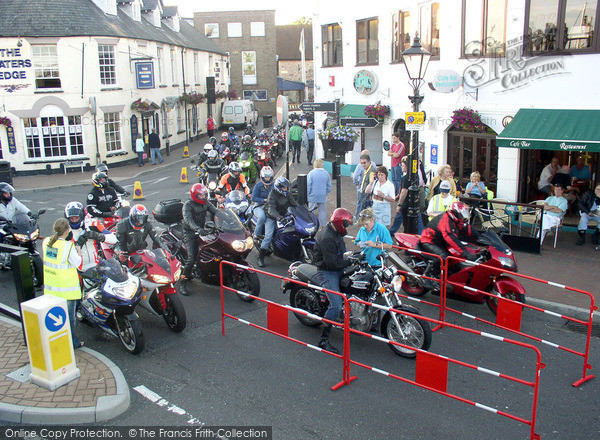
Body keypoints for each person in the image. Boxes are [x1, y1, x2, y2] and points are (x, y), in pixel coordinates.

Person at [313, 208, 354, 353]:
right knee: (336, 304)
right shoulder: (327, 237)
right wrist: (350, 262)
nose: (347, 227)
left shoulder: (336, 232)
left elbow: (342, 254)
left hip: (336, 267)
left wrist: (356, 257)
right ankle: (323, 340)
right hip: (327, 272)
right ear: (339, 222)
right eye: (346, 224)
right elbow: (332, 263)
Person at [42, 218, 84, 349]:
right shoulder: (68, 247)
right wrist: (78, 250)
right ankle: (73, 342)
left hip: (51, 289)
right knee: (69, 320)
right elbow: (78, 263)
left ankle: (58, 341)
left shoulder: (46, 242)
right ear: (67, 231)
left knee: (56, 319)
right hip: (67, 290)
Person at [419, 201, 481, 274]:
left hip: (441, 241)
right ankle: (435, 277)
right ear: (455, 213)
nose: (463, 217)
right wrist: (466, 253)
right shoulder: (446, 221)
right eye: (461, 214)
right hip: (430, 241)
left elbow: (467, 229)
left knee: (455, 255)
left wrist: (480, 238)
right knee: (444, 257)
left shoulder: (457, 220)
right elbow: (451, 238)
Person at [180, 183, 218, 296]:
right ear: (194, 195)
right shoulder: (188, 205)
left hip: (203, 230)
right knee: (191, 258)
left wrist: (227, 217)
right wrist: (197, 228)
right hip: (190, 233)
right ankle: (183, 281)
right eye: (201, 195)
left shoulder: (206, 203)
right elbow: (188, 220)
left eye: (204, 195)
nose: (203, 197)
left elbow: (216, 211)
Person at [257, 177, 298, 267]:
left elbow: (293, 203)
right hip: (271, 217)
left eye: (287, 188)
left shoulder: (287, 194)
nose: (286, 189)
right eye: (284, 188)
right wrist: (279, 218)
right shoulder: (272, 195)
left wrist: (302, 210)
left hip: (284, 214)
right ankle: (260, 258)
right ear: (279, 187)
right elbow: (271, 209)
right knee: (268, 236)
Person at [64, 201, 117, 272]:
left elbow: (114, 239)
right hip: (77, 269)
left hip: (96, 264)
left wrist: (97, 236)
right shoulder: (65, 231)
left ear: (82, 216)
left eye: (76, 218)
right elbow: (63, 254)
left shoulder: (92, 223)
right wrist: (77, 245)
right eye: (71, 218)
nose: (74, 220)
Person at [307, 159, 332, 229]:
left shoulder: (311, 173)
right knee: (322, 212)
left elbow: (308, 186)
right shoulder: (326, 173)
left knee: (311, 211)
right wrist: (325, 193)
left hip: (312, 196)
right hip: (322, 196)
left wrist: (308, 194)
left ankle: (312, 225)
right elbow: (329, 187)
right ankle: (323, 227)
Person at [251, 166, 274, 239]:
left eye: (269, 177)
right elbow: (253, 198)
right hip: (259, 206)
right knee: (262, 217)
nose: (268, 179)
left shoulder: (274, 185)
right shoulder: (258, 186)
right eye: (266, 177)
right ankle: (256, 235)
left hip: (270, 206)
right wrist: (263, 200)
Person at [353, 152, 377, 220]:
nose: (363, 164)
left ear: (369, 162)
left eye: (364, 162)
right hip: (364, 196)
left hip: (367, 198)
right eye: (362, 163)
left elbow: (372, 185)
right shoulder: (367, 170)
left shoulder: (371, 171)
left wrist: (369, 197)